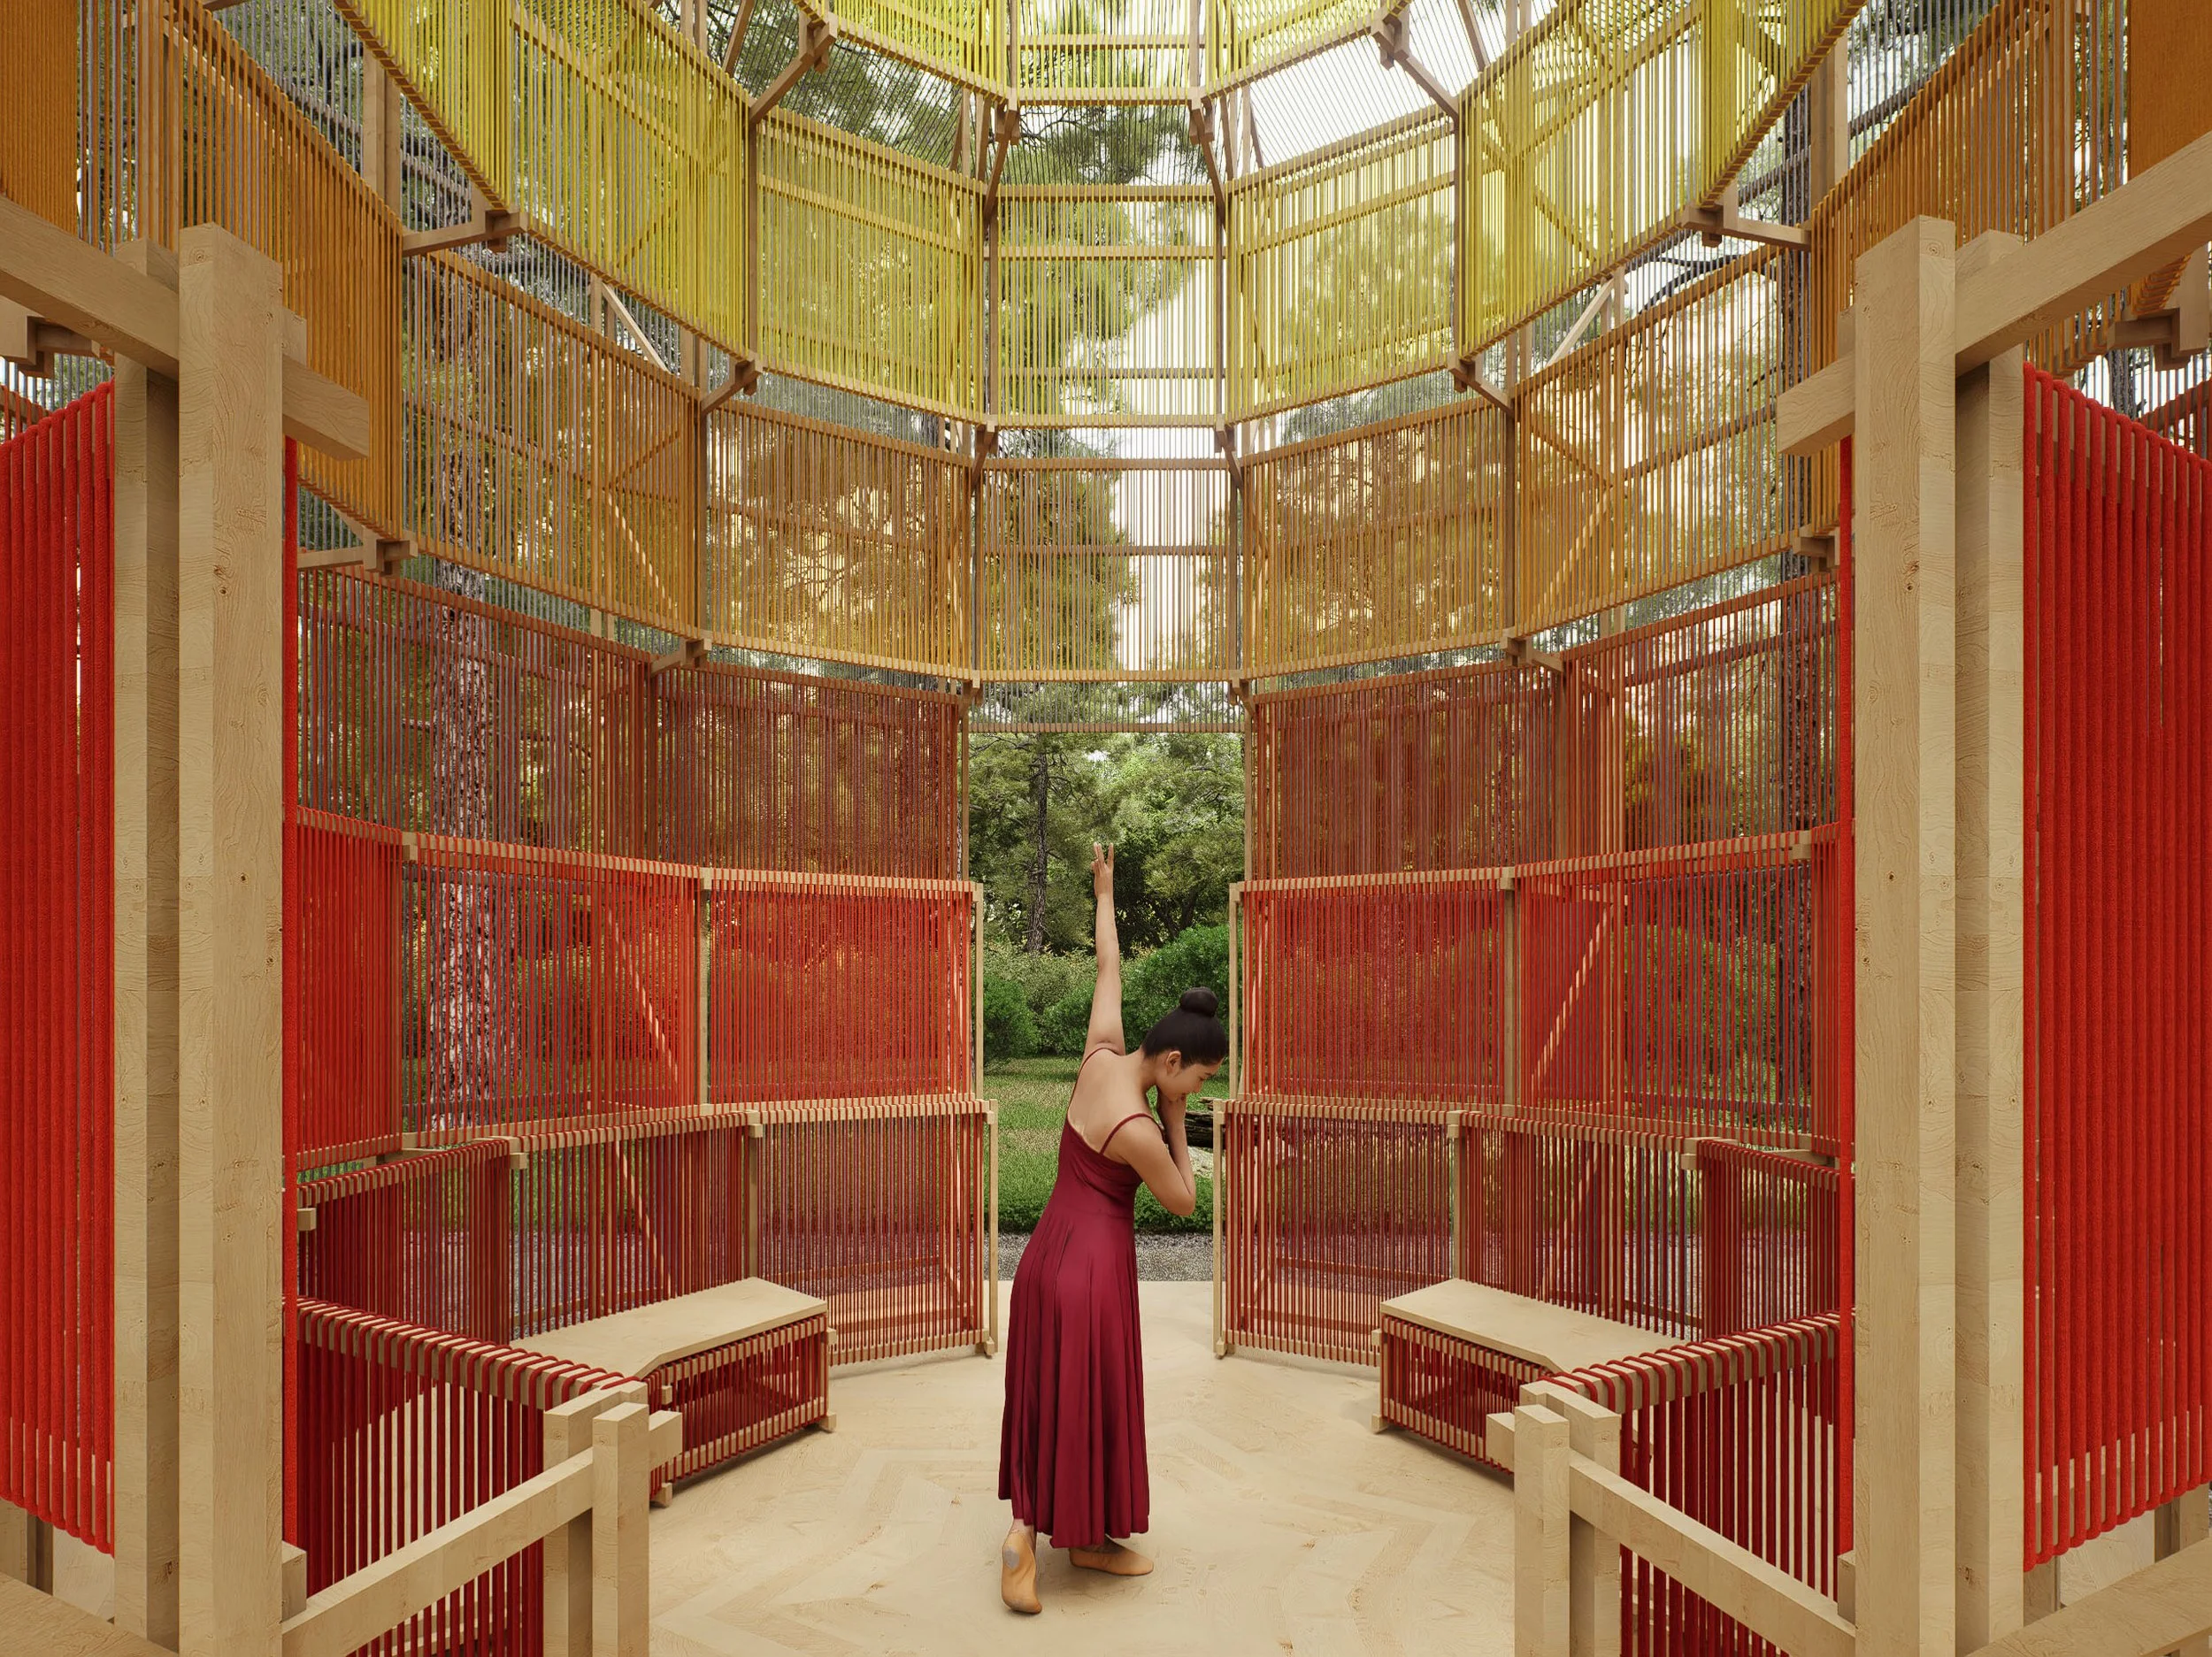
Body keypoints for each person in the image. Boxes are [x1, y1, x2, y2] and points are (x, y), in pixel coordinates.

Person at [996, 842, 1227, 1615]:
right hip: (1089, 1274)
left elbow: (1108, 966)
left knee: (1051, 1399)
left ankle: (1074, 1534)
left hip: (1043, 1262)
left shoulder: (1101, 1051)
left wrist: (1105, 889)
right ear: (1169, 1060)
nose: (1199, 1090)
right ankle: (1026, 1538)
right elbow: (1186, 1200)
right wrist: (1172, 1116)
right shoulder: (1138, 1123)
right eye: (1198, 1076)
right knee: (1087, 1397)